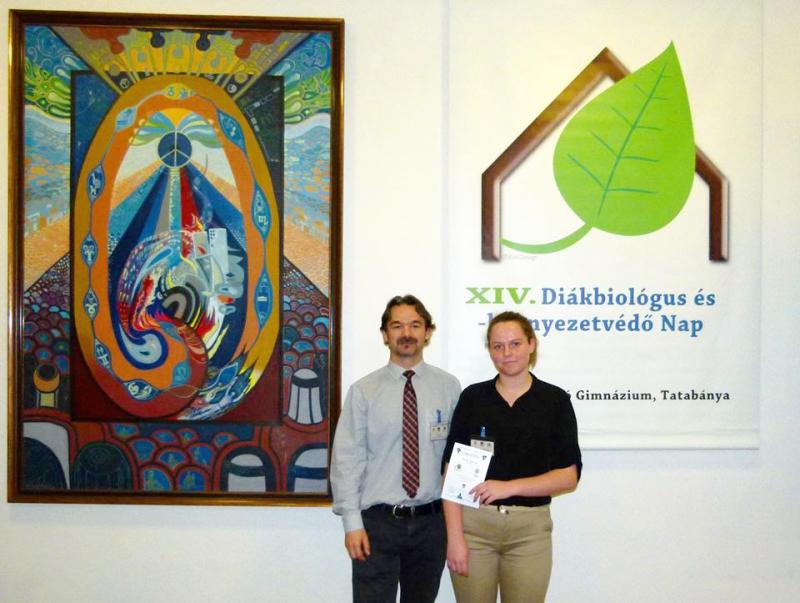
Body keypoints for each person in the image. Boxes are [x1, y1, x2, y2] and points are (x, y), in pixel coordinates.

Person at [442, 311, 581, 603]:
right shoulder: (473, 399)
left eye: (515, 344)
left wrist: (508, 487)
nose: (507, 353)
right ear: (490, 350)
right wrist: (454, 538)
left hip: (529, 532)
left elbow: (569, 476)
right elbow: (451, 474)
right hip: (474, 530)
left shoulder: (555, 401)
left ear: (531, 344)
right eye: (498, 346)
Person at [331, 294, 461, 603]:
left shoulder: (449, 387)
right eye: (397, 325)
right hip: (377, 524)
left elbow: (457, 457)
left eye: (415, 325)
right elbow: (347, 459)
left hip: (431, 524)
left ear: (427, 332)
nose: (407, 333)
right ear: (384, 334)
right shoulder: (364, 391)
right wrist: (351, 523)